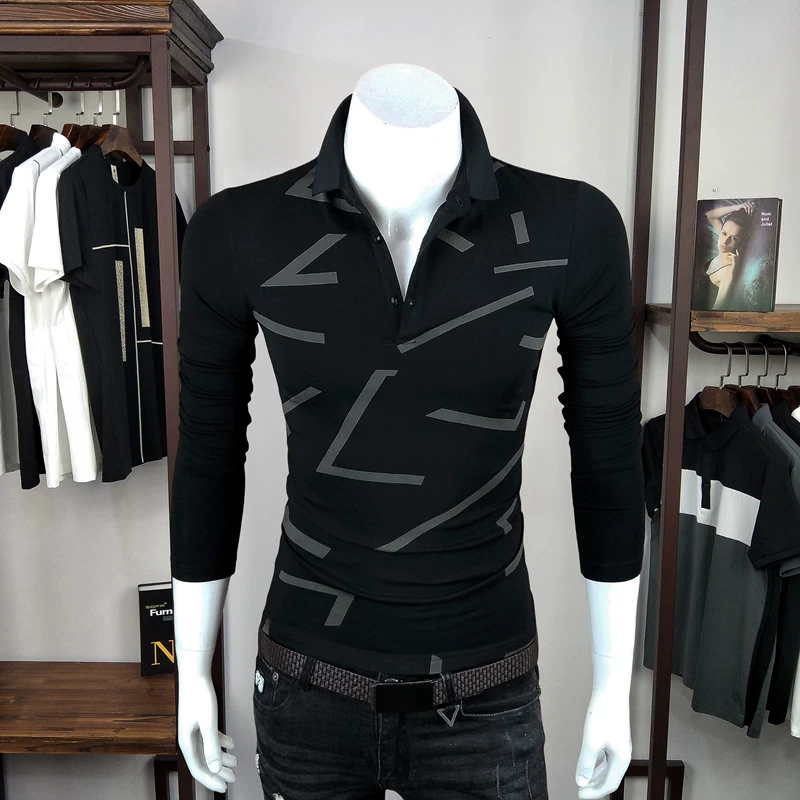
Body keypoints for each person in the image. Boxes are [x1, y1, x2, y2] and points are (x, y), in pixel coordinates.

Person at [695, 201, 755, 310]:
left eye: (734, 238)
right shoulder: (725, 242)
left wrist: (731, 275)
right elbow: (710, 215)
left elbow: (717, 311)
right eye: (723, 233)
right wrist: (736, 207)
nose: (725, 241)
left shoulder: (727, 271)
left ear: (740, 242)